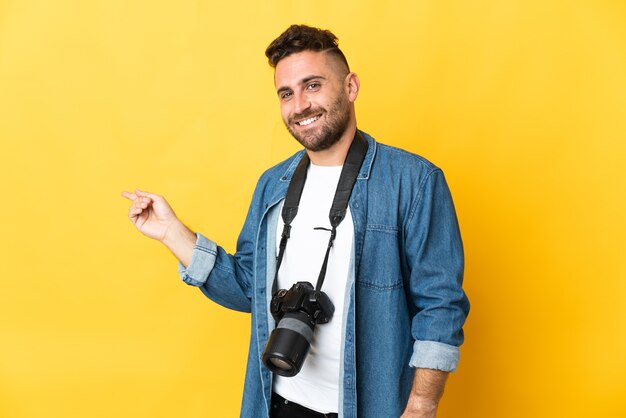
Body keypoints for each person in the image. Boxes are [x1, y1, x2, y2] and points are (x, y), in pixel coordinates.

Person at [122, 25, 469, 418]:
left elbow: (440, 306)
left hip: (370, 406)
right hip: (276, 401)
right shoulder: (273, 184)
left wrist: (422, 406)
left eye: (313, 85)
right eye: (286, 93)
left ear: (351, 86)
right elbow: (246, 288)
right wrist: (171, 232)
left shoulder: (414, 181)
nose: (300, 105)